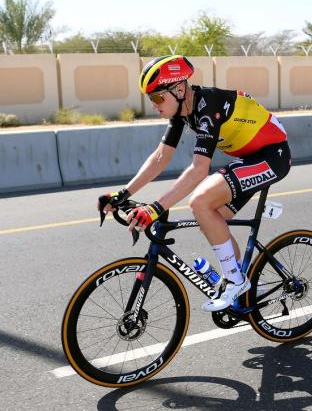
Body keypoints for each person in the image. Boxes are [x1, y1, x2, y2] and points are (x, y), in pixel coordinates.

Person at [97, 55, 290, 311]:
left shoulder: (209, 105)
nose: (154, 104)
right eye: (150, 98)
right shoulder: (182, 111)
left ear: (178, 89)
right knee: (210, 218)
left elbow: (199, 170)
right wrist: (123, 194)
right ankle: (245, 282)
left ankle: (234, 280)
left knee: (200, 202)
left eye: (157, 97)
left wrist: (155, 207)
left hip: (272, 156)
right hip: (249, 157)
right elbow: (159, 157)